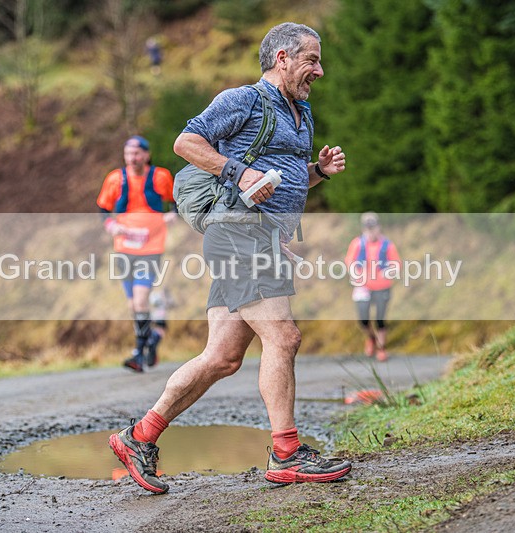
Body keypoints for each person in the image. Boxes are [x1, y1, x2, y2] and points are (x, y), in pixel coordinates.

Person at [109, 22, 351, 494]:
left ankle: (139, 437)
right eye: (311, 60)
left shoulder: (300, 113)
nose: (319, 71)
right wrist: (238, 173)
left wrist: (317, 171)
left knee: (221, 357)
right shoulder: (243, 100)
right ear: (281, 58)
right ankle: (286, 454)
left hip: (260, 238)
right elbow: (186, 143)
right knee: (283, 335)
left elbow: (279, 180)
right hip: (240, 233)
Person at [97, 135, 176, 373]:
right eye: (128, 153)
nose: (133, 158)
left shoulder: (160, 177)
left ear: (146, 155)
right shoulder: (115, 179)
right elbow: (103, 208)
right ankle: (153, 337)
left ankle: (138, 354)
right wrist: (111, 226)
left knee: (141, 299)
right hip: (123, 249)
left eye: (137, 153)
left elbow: (175, 202)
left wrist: (172, 214)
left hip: (150, 248)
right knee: (133, 304)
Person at [343, 212, 401, 362]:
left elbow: (396, 264)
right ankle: (371, 338)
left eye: (373, 228)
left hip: (382, 286)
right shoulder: (357, 244)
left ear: (378, 227)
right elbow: (349, 261)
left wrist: (389, 272)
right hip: (363, 287)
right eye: (368, 228)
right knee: (363, 320)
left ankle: (381, 349)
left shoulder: (388, 245)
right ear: (363, 229)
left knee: (380, 319)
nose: (371, 231)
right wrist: (355, 274)